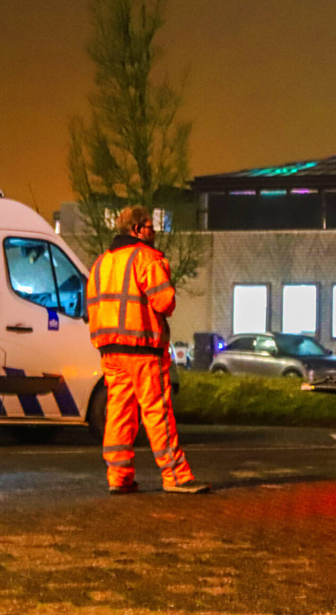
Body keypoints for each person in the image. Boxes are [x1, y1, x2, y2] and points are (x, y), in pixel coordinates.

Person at [85, 206, 209, 494]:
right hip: (142, 348)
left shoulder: (101, 263)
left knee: (118, 413)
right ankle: (175, 475)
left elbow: (92, 306)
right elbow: (165, 302)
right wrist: (164, 270)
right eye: (150, 227)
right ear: (137, 230)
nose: (154, 232)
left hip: (110, 351)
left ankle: (119, 476)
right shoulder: (146, 258)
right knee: (157, 411)